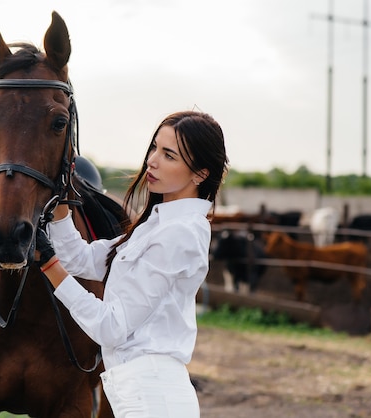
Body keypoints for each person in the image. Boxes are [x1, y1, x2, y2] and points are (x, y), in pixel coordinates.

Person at [36, 110, 229, 417]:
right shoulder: (155, 225)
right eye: (154, 147)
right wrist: (61, 209)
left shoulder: (179, 232)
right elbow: (80, 259)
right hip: (138, 391)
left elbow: (112, 327)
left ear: (200, 174)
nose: (152, 160)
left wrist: (49, 267)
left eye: (169, 155)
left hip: (152, 397)